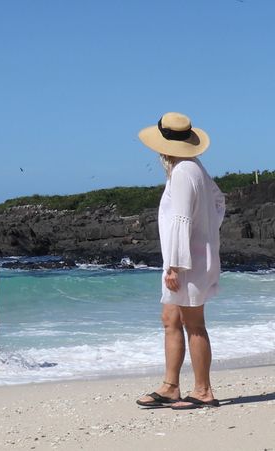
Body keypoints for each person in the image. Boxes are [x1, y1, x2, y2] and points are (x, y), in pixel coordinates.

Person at [136, 112, 226, 410]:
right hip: (190, 257)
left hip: (186, 262)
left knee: (194, 325)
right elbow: (218, 202)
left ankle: (203, 391)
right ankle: (170, 386)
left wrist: (175, 264)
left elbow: (181, 220)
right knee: (170, 320)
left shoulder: (184, 171)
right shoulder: (192, 168)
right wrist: (210, 231)